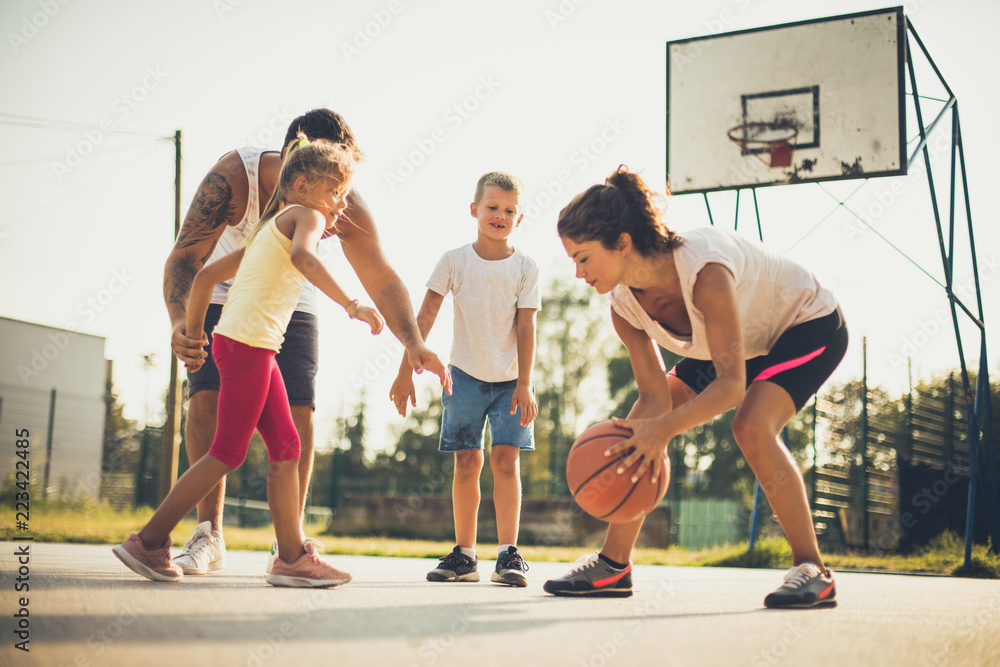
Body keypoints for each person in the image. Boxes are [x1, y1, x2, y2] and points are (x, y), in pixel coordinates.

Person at [162, 109, 451, 575]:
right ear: (301, 167)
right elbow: (188, 259)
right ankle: (206, 533)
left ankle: (288, 547)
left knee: (298, 415)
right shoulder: (237, 176)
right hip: (220, 293)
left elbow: (380, 274)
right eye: (334, 184)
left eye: (345, 183)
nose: (343, 199)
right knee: (209, 399)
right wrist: (182, 322)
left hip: (287, 295)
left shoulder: (339, 199)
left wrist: (412, 342)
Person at [544, 166, 847, 608]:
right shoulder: (624, 305)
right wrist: (647, 433)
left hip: (804, 323)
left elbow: (729, 387)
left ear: (622, 243)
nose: (578, 273)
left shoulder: (703, 270)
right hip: (734, 342)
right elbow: (654, 398)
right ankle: (613, 566)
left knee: (751, 425)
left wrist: (663, 432)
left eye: (583, 257)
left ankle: (813, 571)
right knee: (638, 426)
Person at [114, 136, 383, 586]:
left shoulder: (269, 228)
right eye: (336, 192)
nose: (342, 204)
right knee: (226, 452)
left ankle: (291, 558)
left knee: (286, 448)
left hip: (245, 345)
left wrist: (197, 331)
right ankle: (148, 542)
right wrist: (352, 305)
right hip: (249, 347)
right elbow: (304, 258)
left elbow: (206, 276)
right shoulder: (307, 218)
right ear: (301, 183)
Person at [390, 171, 540, 587]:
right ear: (474, 210)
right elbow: (424, 318)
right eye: (492, 207)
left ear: (520, 218)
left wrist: (525, 383)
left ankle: (508, 554)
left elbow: (527, 328)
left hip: (512, 381)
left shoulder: (526, 267)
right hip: (464, 377)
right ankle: (465, 556)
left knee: (506, 462)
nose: (500, 215)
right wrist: (406, 371)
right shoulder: (454, 260)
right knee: (467, 462)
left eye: (509, 210)